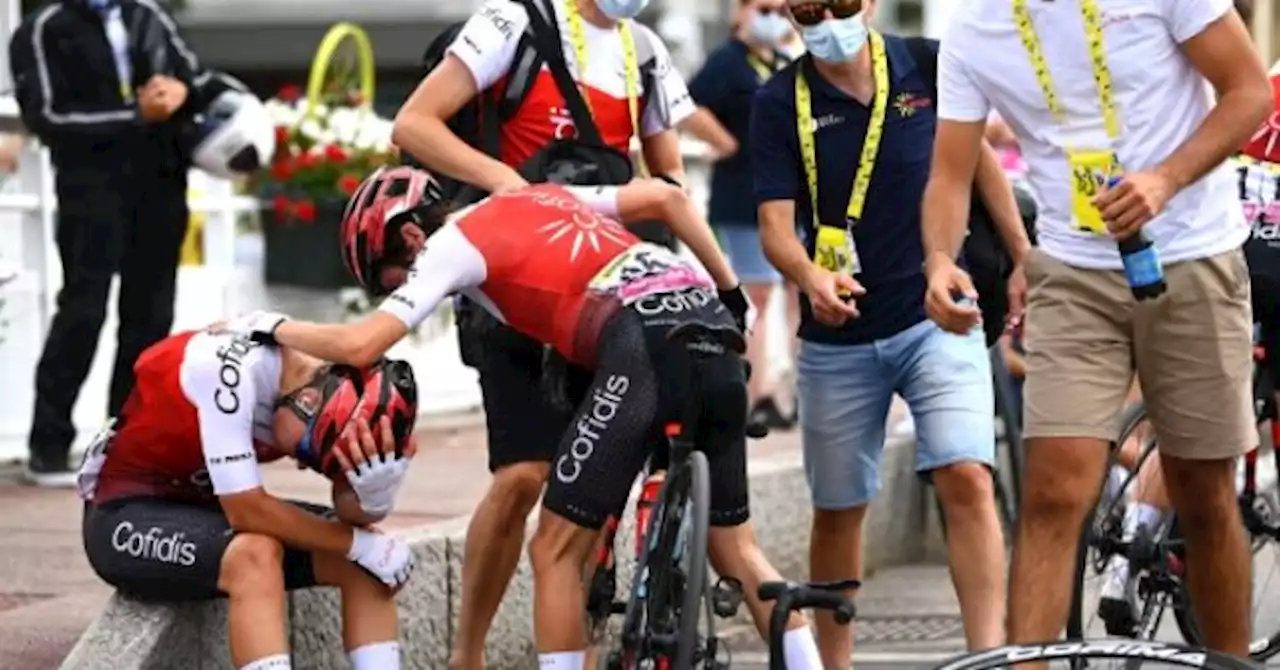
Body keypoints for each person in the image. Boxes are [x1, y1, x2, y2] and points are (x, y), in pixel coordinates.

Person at [230, 167, 826, 670]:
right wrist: (730, 293)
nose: (403, 287)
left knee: (555, 550)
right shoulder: (533, 194)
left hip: (640, 344)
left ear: (410, 235)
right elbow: (666, 197)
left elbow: (362, 344)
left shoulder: (448, 246)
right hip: (709, 327)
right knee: (739, 550)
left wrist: (268, 326)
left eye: (390, 277)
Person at [921, 0, 1273, 656]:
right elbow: (949, 173)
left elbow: (1249, 91)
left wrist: (1165, 180)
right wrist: (940, 258)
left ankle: (1228, 662)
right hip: (1072, 268)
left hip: (1194, 254)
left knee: (1202, 493)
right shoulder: (972, 28)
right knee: (1053, 489)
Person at [390, 2, 695, 663]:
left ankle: (576, 651)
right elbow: (413, 124)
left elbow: (668, 175)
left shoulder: (645, 49)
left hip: (603, 285)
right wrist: (508, 187)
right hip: (510, 284)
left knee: (591, 487)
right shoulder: (513, 24)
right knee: (525, 474)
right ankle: (467, 652)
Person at [749, 1, 1029, 663]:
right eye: (808, 9)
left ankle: (986, 654)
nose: (827, 19)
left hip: (937, 312)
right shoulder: (778, 98)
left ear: (870, 3)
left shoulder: (926, 63)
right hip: (837, 334)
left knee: (967, 474)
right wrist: (810, 277)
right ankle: (836, 660)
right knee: (840, 507)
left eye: (841, 4)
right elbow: (773, 228)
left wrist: (1023, 253)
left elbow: (977, 162)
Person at [76, 327, 420, 670]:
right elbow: (246, 512)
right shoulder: (228, 371)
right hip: (123, 512)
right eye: (310, 452)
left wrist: (375, 496)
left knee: (368, 564)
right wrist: (354, 542)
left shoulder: (327, 391)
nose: (303, 464)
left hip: (204, 504)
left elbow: (350, 515)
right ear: (308, 401)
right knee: (254, 556)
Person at [9, 0, 208, 486]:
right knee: (83, 309)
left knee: (151, 316)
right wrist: (135, 113)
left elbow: (195, 79)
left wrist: (180, 92)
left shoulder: (149, 15)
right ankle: (49, 447)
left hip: (160, 184)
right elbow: (47, 116)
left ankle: (126, 448)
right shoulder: (44, 28)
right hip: (90, 191)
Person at [685, 0, 801, 430]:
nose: (773, 16)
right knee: (756, 296)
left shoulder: (781, 58)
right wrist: (724, 141)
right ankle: (757, 394)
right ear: (741, 12)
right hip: (744, 197)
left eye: (778, 8)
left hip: (794, 198)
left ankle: (797, 392)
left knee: (800, 292)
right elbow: (685, 103)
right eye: (763, 7)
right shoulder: (726, 62)